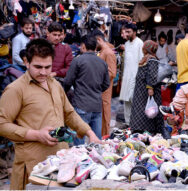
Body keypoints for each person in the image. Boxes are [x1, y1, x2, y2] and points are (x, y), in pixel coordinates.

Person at [0, 38, 101, 190]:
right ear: (26, 62)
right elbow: (2, 124)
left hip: (61, 160)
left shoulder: (55, 84)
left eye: (48, 67)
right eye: (38, 67)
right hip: (34, 166)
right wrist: (36, 134)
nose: (43, 72)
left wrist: (89, 132)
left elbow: (69, 113)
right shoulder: (16, 89)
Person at [64, 35, 110, 145]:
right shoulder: (102, 62)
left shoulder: (78, 61)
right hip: (97, 105)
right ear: (95, 47)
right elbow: (106, 84)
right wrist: (96, 90)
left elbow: (67, 81)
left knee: (79, 143)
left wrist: (65, 93)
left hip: (81, 104)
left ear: (83, 46)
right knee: (96, 142)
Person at [130, 40, 165, 136]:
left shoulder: (150, 60)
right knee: (145, 108)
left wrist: (150, 88)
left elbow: (151, 75)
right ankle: (143, 129)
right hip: (143, 90)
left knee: (144, 108)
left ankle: (143, 129)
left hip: (145, 90)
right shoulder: (149, 59)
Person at [119, 23, 144, 127]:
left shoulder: (140, 43)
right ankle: (128, 123)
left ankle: (136, 124)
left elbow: (141, 61)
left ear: (134, 32)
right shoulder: (127, 44)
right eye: (126, 32)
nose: (127, 34)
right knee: (126, 101)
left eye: (129, 32)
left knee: (135, 101)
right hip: (126, 76)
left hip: (135, 76)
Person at [94, 30, 117, 137]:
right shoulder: (103, 51)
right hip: (100, 90)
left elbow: (112, 73)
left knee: (104, 115)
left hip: (104, 90)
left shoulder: (108, 52)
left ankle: (104, 138)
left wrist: (97, 79)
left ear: (99, 40)